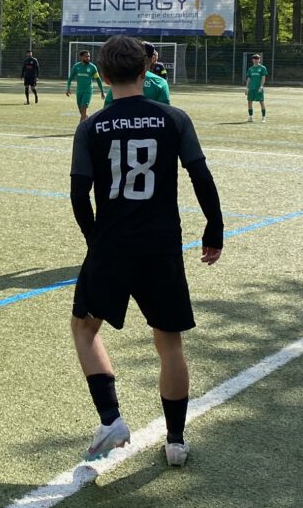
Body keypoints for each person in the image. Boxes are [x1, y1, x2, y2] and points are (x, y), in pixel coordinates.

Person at [69, 35, 223, 466]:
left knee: (84, 329)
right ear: (145, 70)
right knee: (169, 341)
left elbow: (79, 194)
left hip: (113, 243)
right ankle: (175, 441)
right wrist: (214, 226)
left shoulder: (91, 126)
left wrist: (95, 241)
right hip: (161, 244)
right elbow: (200, 175)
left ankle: (111, 418)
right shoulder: (174, 118)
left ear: (102, 76)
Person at [103, 41, 170, 107]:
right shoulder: (160, 83)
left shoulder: (121, 80)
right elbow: (165, 110)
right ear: (153, 58)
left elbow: (107, 107)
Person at [67, 50, 105, 121]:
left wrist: (102, 91)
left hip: (88, 91)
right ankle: (86, 120)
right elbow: (70, 78)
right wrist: (68, 88)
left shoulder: (92, 67)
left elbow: (98, 79)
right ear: (81, 57)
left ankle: (81, 126)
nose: (88, 58)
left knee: (83, 109)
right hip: (79, 91)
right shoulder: (76, 67)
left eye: (89, 56)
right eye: (86, 56)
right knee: (82, 112)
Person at [245, 53, 268, 122]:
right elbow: (248, 78)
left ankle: (263, 118)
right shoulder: (250, 69)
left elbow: (263, 78)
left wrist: (261, 86)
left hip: (258, 88)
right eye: (254, 58)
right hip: (251, 88)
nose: (256, 60)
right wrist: (247, 88)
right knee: (249, 102)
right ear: (252, 60)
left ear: (259, 59)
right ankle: (250, 117)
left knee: (261, 102)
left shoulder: (262, 68)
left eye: (257, 58)